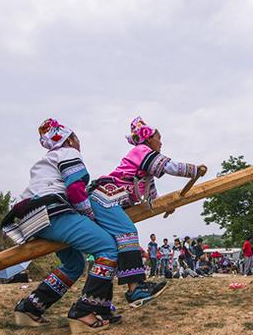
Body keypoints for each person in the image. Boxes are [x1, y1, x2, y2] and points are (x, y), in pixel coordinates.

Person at [4, 119, 121, 331]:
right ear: (71, 139)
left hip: (29, 218)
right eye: (77, 137)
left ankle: (30, 307)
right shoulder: (69, 153)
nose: (79, 142)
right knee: (108, 248)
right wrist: (91, 219)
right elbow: (76, 190)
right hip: (50, 212)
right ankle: (85, 311)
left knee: (74, 264)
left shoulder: (47, 160)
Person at [88, 117, 205, 305]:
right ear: (149, 139)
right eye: (159, 138)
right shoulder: (141, 151)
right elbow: (170, 167)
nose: (161, 142)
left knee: (110, 247)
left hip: (108, 201)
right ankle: (135, 289)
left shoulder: (146, 173)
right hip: (105, 198)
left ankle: (99, 302)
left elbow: (151, 200)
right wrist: (194, 170)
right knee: (128, 234)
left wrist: (168, 205)